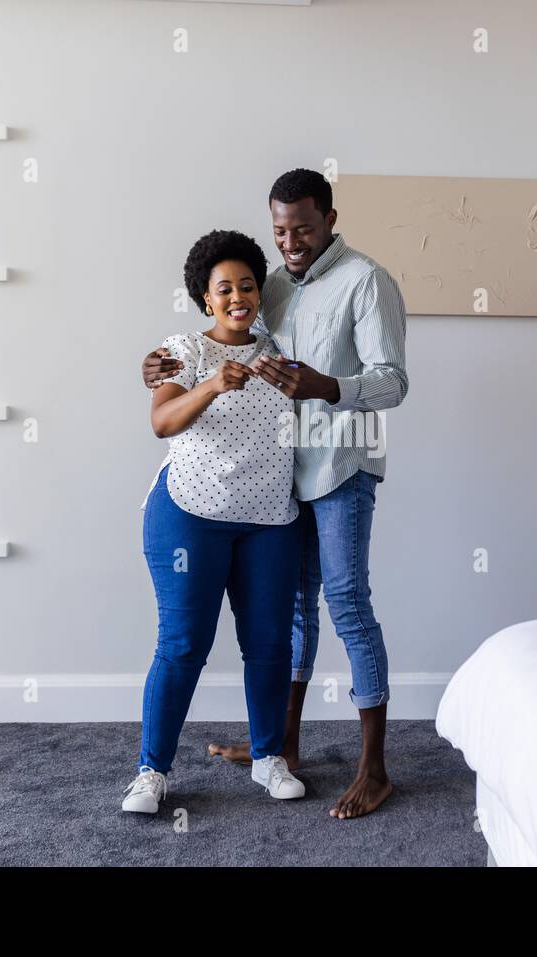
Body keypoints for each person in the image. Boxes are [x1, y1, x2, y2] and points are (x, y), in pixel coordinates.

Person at [142, 170, 408, 819]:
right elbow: (207, 342)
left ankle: (374, 766)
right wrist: (155, 367)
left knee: (346, 600)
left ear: (330, 218)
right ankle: (277, 747)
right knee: (292, 614)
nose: (290, 242)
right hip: (280, 483)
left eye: (304, 229)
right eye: (280, 231)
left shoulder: (366, 281)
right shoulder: (275, 286)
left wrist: (327, 386)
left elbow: (393, 382)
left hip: (342, 465)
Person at [122, 229, 306, 814]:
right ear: (205, 299)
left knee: (271, 644)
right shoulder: (185, 349)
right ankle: (152, 772)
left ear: (260, 293)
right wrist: (209, 384)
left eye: (247, 286)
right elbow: (162, 422)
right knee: (182, 645)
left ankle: (269, 758)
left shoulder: (281, 349)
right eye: (223, 288)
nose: (237, 297)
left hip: (270, 519)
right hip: (189, 516)